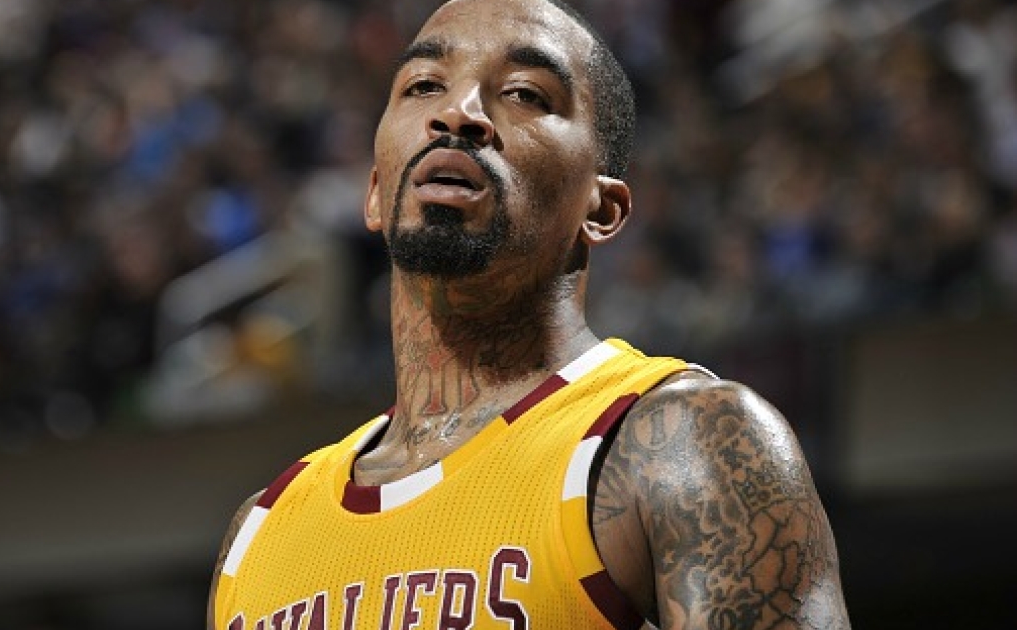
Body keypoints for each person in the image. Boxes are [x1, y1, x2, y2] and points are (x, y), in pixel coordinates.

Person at [209, 0, 850, 628]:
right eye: (425, 85)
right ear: (376, 193)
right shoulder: (260, 534)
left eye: (524, 93)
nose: (458, 113)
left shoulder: (688, 443)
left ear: (601, 209)